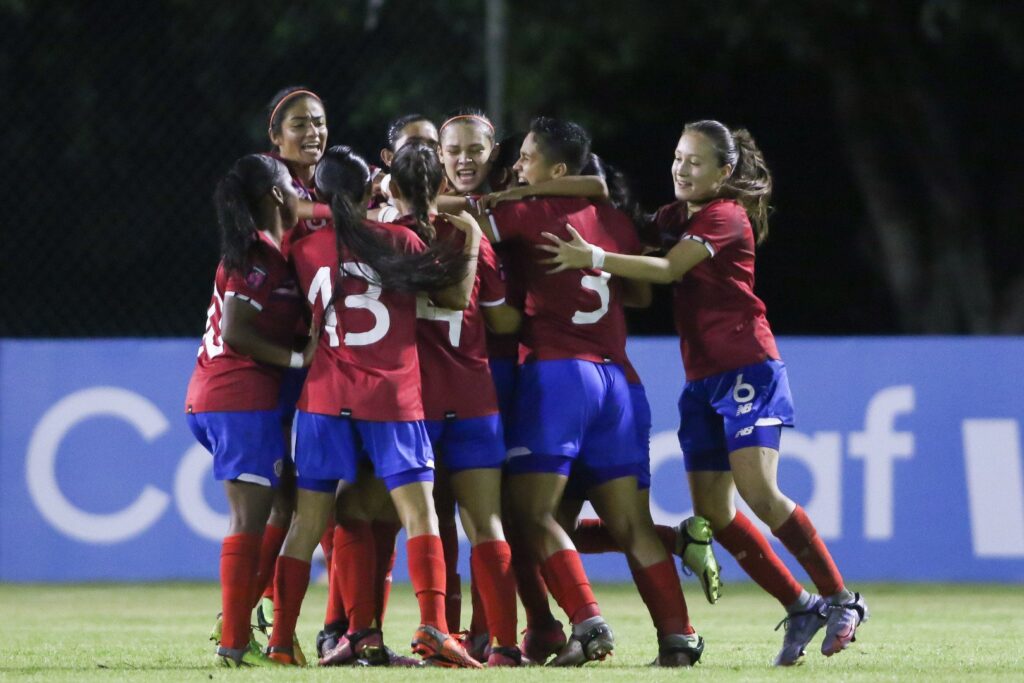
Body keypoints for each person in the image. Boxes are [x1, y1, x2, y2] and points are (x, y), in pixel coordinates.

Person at [538, 119, 869, 666]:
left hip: (747, 368)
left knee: (759, 493)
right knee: (713, 513)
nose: (681, 169)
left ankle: (843, 599)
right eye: (677, 158)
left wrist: (592, 258)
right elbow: (630, 226)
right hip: (701, 382)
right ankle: (800, 604)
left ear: (725, 171)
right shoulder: (676, 216)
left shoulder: (726, 216)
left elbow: (667, 269)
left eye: (695, 161)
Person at [482, 117, 704, 667]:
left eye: (527, 158)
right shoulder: (616, 222)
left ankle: (588, 621)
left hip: (560, 377)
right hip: (621, 383)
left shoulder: (524, 212)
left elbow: (471, 215)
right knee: (631, 524)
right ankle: (679, 639)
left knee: (528, 516)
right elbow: (639, 297)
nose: (517, 166)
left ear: (557, 170)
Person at [266, 144, 483, 668]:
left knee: (310, 521)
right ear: (371, 191)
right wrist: (472, 237)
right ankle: (434, 627)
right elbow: (454, 298)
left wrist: (321, 208)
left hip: (324, 397)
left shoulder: (303, 246)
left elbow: (290, 224)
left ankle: (280, 641)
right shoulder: (402, 239)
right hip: (391, 395)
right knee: (419, 512)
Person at [382, 139, 525, 665]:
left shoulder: (384, 241)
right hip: (473, 396)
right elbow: (503, 319)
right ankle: (506, 645)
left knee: (412, 521)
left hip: (412, 404)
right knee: (486, 522)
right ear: (442, 184)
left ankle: (428, 631)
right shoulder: (473, 241)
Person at [184, 154, 316, 667]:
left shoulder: (273, 251)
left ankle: (237, 618)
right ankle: (235, 643)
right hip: (240, 400)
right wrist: (297, 357)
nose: (301, 192)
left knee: (285, 503)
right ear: (279, 196)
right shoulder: (256, 256)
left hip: (230, 398)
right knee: (248, 516)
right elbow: (237, 330)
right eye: (291, 184)